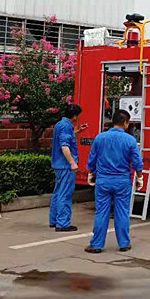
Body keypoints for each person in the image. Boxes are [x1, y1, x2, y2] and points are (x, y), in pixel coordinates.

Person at [85, 109, 143, 254]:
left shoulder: (100, 138)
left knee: (101, 212)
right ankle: (124, 243)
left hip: (103, 180)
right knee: (122, 212)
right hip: (122, 181)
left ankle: (96, 244)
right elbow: (137, 163)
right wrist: (140, 177)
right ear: (126, 123)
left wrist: (91, 173)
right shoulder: (130, 140)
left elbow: (92, 159)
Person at [49, 104, 83, 232]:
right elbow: (64, 145)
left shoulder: (60, 124)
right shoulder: (66, 126)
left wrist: (77, 132)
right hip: (65, 165)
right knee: (65, 193)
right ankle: (63, 223)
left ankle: (54, 220)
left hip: (58, 165)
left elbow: (64, 138)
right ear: (75, 116)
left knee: (58, 192)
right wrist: (72, 163)